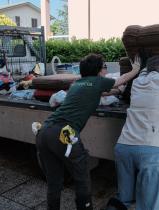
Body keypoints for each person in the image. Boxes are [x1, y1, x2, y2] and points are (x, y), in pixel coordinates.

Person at [36, 53, 141, 210]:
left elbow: (100, 93)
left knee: (54, 181)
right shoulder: (98, 81)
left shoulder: (77, 83)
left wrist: (117, 92)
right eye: (105, 67)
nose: (106, 70)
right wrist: (136, 69)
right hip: (64, 133)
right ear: (99, 71)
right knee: (82, 176)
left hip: (44, 132)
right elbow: (121, 79)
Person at [105, 32, 159, 210]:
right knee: (148, 205)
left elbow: (145, 70)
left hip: (124, 146)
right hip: (151, 150)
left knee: (124, 199)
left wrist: (143, 63)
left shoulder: (138, 82)